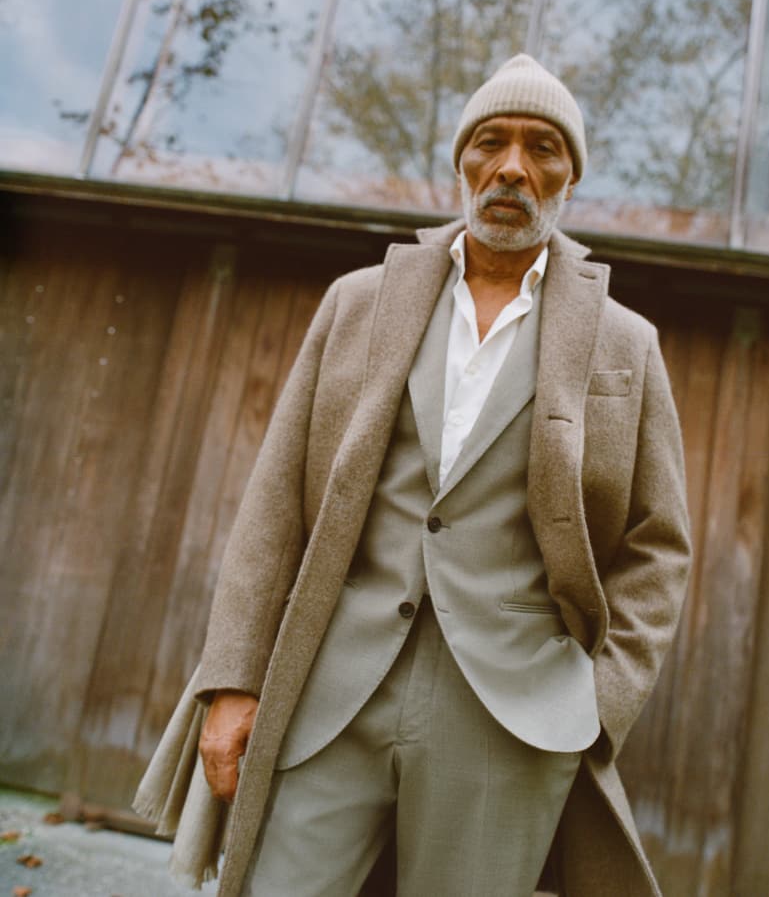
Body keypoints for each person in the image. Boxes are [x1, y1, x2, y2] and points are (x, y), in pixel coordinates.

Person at [138, 54, 691, 897]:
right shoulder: (359, 302)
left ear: (570, 176)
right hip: (332, 693)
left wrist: (597, 700)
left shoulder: (625, 342)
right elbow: (275, 504)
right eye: (490, 143)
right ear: (460, 162)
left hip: (512, 717)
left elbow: (661, 546)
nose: (512, 167)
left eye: (542, 148)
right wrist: (234, 681)